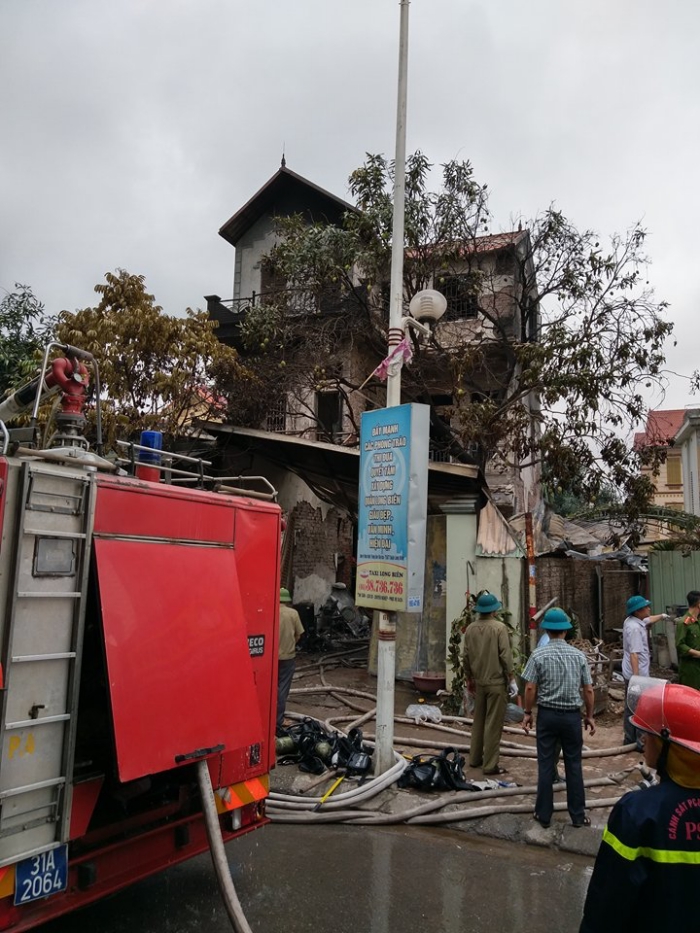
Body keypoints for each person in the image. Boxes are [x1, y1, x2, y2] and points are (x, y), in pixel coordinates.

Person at [580, 676, 700, 932]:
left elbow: (607, 903)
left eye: (650, 733)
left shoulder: (638, 812)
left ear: (670, 746)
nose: (644, 739)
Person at [522, 607, 595, 828]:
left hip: (547, 716)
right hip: (572, 718)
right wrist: (589, 716)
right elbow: (589, 690)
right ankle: (578, 816)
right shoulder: (579, 656)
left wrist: (527, 713)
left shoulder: (538, 655)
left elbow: (530, 688)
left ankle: (543, 815)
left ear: (547, 631)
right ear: (564, 632)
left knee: (545, 764)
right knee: (574, 765)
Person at [462, 591, 517, 775]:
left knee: (478, 721)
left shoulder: (470, 629)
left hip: (478, 682)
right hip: (496, 683)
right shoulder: (499, 628)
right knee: (493, 723)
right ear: (494, 610)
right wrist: (511, 678)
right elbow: (505, 656)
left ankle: (475, 758)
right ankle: (490, 765)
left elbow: (466, 657)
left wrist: (469, 679)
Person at [622, 595, 668, 747]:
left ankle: (630, 738)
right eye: (646, 607)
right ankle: (639, 742)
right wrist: (637, 679)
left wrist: (662, 616)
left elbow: (648, 620)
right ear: (638, 611)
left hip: (633, 673)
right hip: (636, 674)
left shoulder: (633, 621)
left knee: (631, 706)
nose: (649, 608)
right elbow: (634, 654)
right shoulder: (634, 629)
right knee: (639, 708)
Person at [276, 587, 304, 736]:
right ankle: (278, 721)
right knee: (282, 689)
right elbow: (299, 634)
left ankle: (268, 719)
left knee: (270, 688)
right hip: (288, 657)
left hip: (272, 658)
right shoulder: (293, 613)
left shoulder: (270, 611)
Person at [675, 590, 700, 690]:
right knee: (691, 695)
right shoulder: (683, 623)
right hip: (690, 667)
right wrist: (698, 653)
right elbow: (680, 645)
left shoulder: (697, 621)